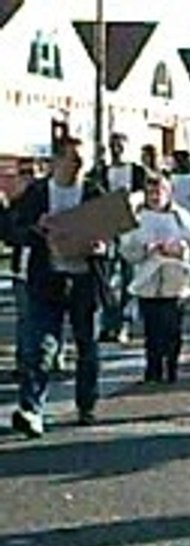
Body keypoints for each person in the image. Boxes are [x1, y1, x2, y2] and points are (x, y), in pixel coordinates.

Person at [8, 137, 107, 438]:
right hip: (46, 278)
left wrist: (102, 247)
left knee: (87, 344)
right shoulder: (37, 193)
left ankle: (86, 404)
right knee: (39, 347)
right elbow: (11, 229)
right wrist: (36, 228)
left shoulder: (93, 192)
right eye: (74, 159)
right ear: (57, 161)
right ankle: (31, 409)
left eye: (83, 161)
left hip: (84, 280)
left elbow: (113, 235)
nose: (79, 166)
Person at [120, 174, 190, 384]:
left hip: (175, 282)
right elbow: (127, 249)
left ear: (169, 193)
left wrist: (179, 250)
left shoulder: (181, 217)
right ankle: (153, 368)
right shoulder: (138, 218)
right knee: (152, 329)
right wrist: (146, 249)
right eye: (151, 193)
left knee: (172, 328)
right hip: (147, 282)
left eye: (160, 192)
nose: (155, 197)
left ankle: (171, 366)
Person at [97, 131, 148, 344]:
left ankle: (123, 324)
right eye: (113, 146)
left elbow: (146, 195)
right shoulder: (101, 172)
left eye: (120, 146)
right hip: (108, 230)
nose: (116, 150)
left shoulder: (138, 172)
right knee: (106, 279)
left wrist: (133, 200)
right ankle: (108, 322)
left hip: (131, 231)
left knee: (129, 278)